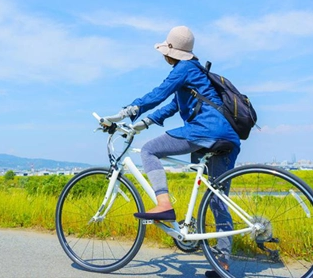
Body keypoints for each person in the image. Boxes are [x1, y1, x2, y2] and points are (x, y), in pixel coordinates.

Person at [102, 26, 240, 278]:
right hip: (227, 135)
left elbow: (159, 94)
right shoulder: (196, 73)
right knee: (217, 198)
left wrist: (126, 112)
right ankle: (223, 263)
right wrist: (142, 124)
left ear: (171, 53)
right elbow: (172, 106)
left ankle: (163, 204)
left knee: (150, 150)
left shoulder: (183, 70)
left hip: (204, 131)